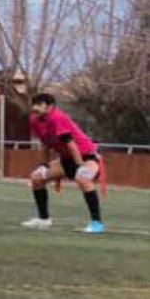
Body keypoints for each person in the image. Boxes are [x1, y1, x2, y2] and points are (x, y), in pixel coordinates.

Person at [23, 92, 106, 233]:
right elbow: (45, 144)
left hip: (86, 156)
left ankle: (97, 223)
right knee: (36, 178)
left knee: (83, 179)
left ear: (50, 106)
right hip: (66, 159)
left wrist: (80, 166)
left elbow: (71, 145)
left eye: (40, 104)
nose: (35, 107)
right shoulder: (34, 120)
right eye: (34, 104)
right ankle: (44, 220)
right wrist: (43, 164)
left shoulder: (57, 117)